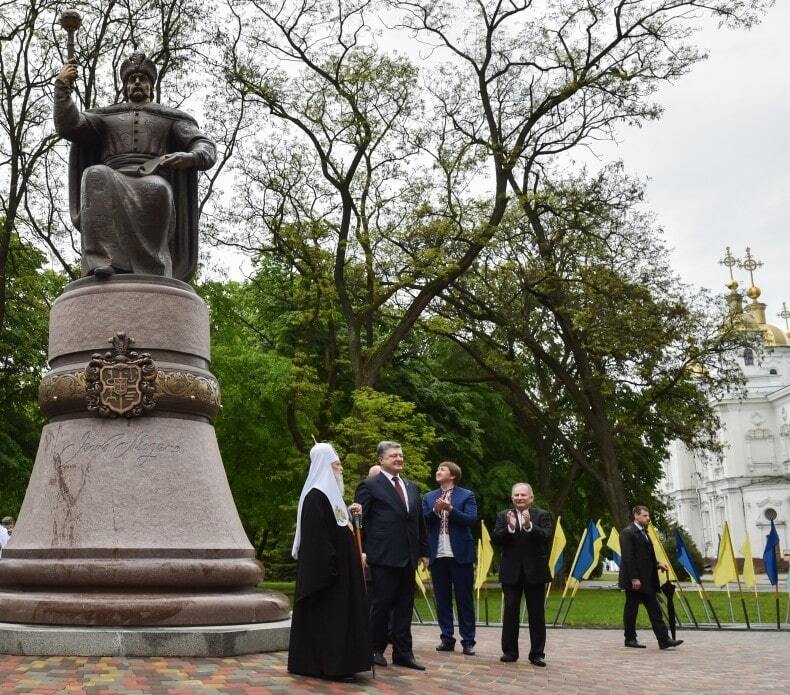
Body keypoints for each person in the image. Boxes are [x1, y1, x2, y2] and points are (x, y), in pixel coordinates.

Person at [54, 51, 216, 280]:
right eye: (132, 79)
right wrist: (63, 86)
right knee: (94, 174)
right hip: (113, 176)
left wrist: (192, 157)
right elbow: (69, 126)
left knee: (156, 189)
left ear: (151, 85)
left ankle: (153, 268)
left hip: (153, 176)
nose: (138, 82)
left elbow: (203, 144)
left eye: (143, 79)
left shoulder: (169, 117)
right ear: (125, 86)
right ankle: (102, 261)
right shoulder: (106, 116)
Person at [287, 443, 371, 682]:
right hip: (329, 577)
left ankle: (344, 663)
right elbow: (317, 541)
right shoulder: (315, 497)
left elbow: (340, 531)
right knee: (330, 622)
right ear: (324, 467)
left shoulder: (333, 498)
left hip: (342, 574)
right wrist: (332, 569)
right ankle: (330, 666)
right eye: (337, 464)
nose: (341, 469)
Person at [355, 441, 429, 670]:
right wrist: (363, 550)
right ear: (381, 460)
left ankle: (403, 652)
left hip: (408, 555)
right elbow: (361, 522)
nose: (399, 458)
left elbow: (419, 522)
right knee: (382, 604)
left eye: (400, 455)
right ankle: (374, 648)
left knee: (405, 605)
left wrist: (424, 551)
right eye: (393, 455)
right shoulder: (369, 485)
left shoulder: (412, 487)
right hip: (383, 555)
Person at [491, 482, 552, 666]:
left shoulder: (542, 515)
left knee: (536, 614)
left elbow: (547, 537)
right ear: (512, 498)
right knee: (510, 612)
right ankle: (509, 652)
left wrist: (528, 525)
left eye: (523, 495)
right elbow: (496, 539)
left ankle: (537, 654)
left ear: (531, 498)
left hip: (536, 572)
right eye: (516, 495)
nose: (519, 498)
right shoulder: (503, 515)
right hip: (511, 573)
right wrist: (510, 528)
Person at [422, 461, 477, 655]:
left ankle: (468, 640)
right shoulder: (429, 497)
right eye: (437, 469)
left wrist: (450, 509)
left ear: (452, 475)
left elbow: (471, 520)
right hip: (437, 553)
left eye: (442, 469)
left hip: (460, 554)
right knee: (442, 598)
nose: (438, 471)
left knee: (464, 599)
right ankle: (446, 638)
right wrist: (436, 510)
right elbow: (423, 522)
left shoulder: (466, 495)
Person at [619, 505, 684, 650]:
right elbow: (629, 557)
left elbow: (645, 556)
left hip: (647, 580)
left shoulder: (645, 533)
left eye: (648, 516)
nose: (648, 518)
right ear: (636, 515)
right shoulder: (627, 533)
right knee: (631, 609)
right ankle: (630, 638)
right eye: (645, 516)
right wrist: (634, 578)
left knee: (655, 609)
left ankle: (664, 640)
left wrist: (658, 564)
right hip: (634, 581)